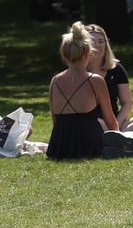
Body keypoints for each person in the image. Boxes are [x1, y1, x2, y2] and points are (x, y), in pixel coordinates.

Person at [46, 21, 119, 160]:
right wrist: (118, 141)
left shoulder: (55, 80)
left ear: (65, 54)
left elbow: (55, 118)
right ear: (87, 53)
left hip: (60, 144)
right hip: (89, 143)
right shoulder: (95, 80)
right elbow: (110, 121)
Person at [86, 24, 133, 132]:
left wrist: (116, 125)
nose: (98, 45)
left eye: (101, 42)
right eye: (93, 42)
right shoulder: (80, 71)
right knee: (96, 123)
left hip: (116, 121)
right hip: (92, 121)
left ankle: (117, 136)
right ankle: (119, 137)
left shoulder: (116, 68)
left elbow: (126, 103)